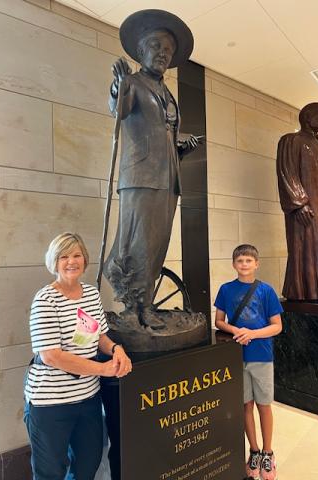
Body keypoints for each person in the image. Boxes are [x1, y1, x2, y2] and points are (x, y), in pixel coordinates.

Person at [104, 9, 199, 330]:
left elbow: (163, 135)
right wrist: (118, 86)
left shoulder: (168, 93)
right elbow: (119, 109)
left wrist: (180, 148)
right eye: (157, 47)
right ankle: (134, 309)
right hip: (140, 177)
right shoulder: (132, 82)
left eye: (168, 51)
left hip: (168, 180)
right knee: (138, 242)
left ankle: (145, 307)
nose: (162, 54)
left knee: (157, 244)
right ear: (142, 51)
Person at [23, 232, 132, 480]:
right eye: (64, 256)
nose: (71, 261)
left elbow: (100, 336)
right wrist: (103, 370)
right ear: (54, 261)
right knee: (51, 471)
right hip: (50, 403)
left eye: (76, 255)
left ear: (84, 259)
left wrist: (116, 349)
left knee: (87, 464)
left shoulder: (91, 294)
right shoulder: (45, 299)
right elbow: (51, 356)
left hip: (87, 399)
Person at [214, 244, 282, 480]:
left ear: (257, 263)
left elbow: (277, 325)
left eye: (248, 260)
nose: (244, 264)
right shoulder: (225, 289)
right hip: (236, 357)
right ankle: (253, 450)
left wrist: (252, 334)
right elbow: (219, 321)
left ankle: (268, 452)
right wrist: (236, 330)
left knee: (264, 405)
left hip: (261, 355)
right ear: (234, 264)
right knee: (245, 405)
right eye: (240, 260)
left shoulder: (266, 291)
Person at [277, 102, 318, 301]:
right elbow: (287, 172)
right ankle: (306, 292)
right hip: (306, 209)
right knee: (309, 248)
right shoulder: (291, 140)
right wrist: (299, 203)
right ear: (308, 117)